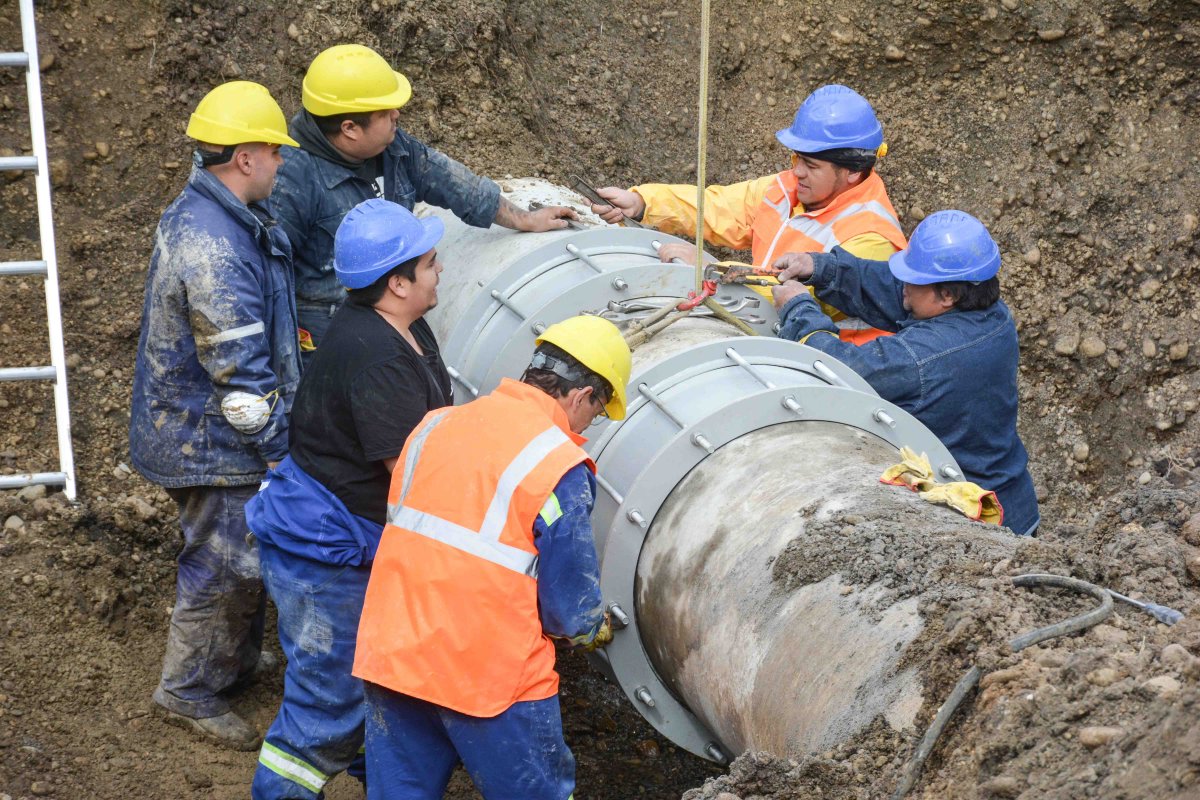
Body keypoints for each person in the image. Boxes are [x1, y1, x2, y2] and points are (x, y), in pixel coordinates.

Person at [352, 315, 632, 799]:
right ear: (583, 395)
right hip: (487, 674)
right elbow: (568, 598)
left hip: (394, 651)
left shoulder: (435, 424)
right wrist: (590, 625)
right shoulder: (556, 462)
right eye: (599, 410)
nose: (590, 424)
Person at [245, 199, 453, 799]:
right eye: (431, 263)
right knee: (328, 700)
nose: (440, 273)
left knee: (374, 680)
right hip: (323, 552)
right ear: (397, 282)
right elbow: (410, 476)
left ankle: (378, 772)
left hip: (348, 534)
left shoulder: (406, 328)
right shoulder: (376, 358)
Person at [128, 81, 301, 749]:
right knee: (224, 562)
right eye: (276, 152)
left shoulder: (219, 213)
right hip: (209, 436)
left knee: (242, 554)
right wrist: (279, 449)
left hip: (196, 425)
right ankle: (187, 689)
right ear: (248, 156)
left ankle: (227, 663)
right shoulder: (217, 246)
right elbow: (240, 378)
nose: (282, 164)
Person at [273, 43, 577, 365]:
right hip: (331, 340)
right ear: (349, 128)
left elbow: (451, 182)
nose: (396, 115)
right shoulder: (290, 181)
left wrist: (523, 219)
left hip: (398, 318)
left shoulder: (392, 147)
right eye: (385, 112)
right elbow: (271, 280)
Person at [770, 210, 1040, 536]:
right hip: (1014, 503)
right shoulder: (987, 312)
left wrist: (798, 309)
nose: (904, 288)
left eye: (913, 281)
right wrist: (821, 269)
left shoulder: (923, 357)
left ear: (947, 295)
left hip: (977, 521)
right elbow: (889, 286)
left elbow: (836, 370)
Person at [590, 84, 906, 343]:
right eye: (796, 158)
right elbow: (719, 207)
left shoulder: (872, 237)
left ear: (852, 172)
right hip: (768, 332)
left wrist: (710, 268)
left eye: (811, 165)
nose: (797, 171)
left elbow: (791, 296)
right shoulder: (785, 188)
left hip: (829, 368)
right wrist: (643, 202)